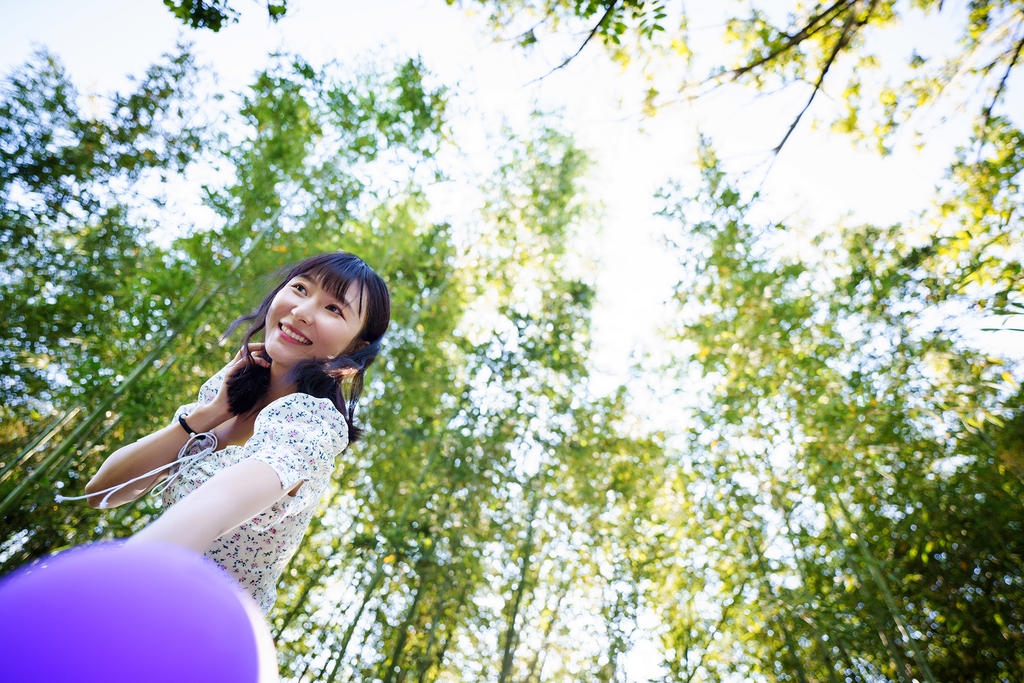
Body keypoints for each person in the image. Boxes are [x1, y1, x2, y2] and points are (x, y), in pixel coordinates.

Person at [62, 251, 390, 614]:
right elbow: (102, 493)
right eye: (299, 288)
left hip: (200, 639)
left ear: (356, 347)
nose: (302, 311)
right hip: (145, 607)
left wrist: (111, 590)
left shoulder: (311, 425)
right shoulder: (219, 399)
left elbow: (216, 505)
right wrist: (211, 413)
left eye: (334, 309)